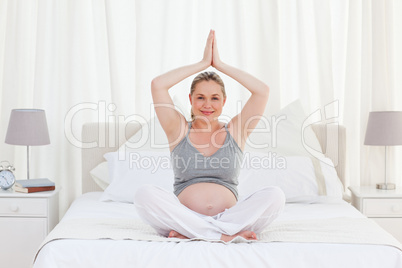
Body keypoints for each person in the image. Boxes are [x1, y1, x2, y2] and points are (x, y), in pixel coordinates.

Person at [134, 30, 285, 242]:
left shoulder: (236, 130)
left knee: (275, 195)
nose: (207, 105)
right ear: (190, 99)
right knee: (144, 194)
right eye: (200, 97)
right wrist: (203, 63)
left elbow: (262, 91)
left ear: (224, 101)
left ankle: (196, 234)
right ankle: (222, 235)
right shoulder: (177, 129)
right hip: (185, 217)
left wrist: (220, 65)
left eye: (214, 98)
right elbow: (158, 85)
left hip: (229, 218)